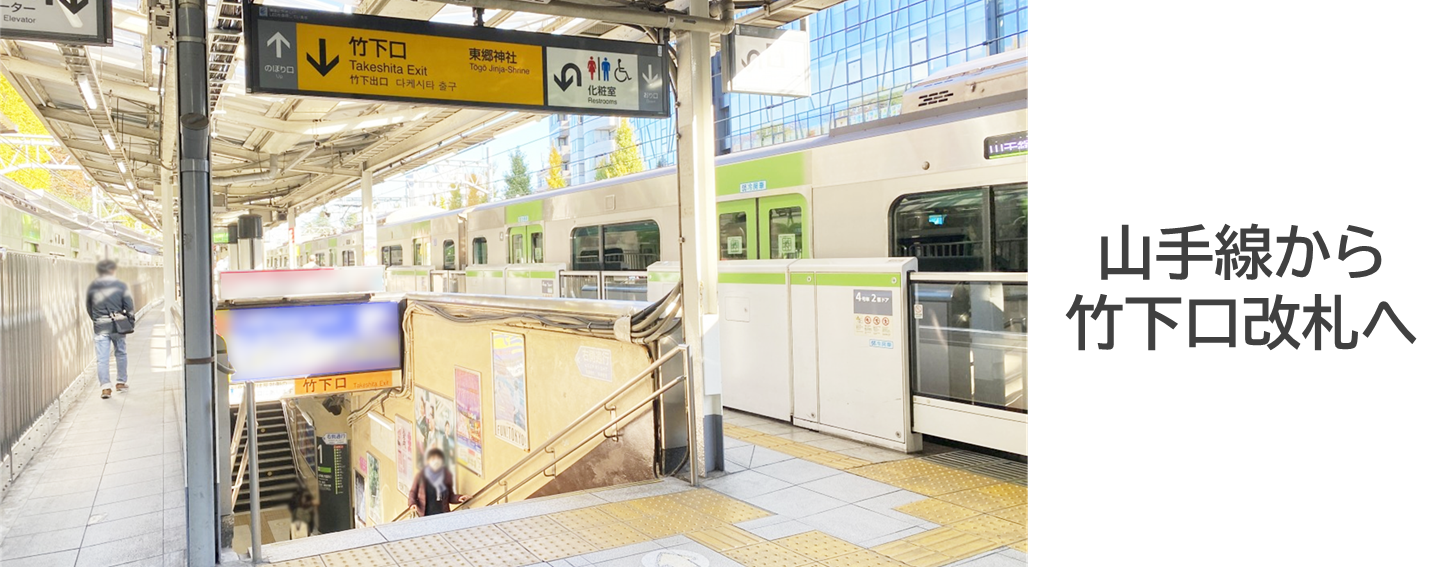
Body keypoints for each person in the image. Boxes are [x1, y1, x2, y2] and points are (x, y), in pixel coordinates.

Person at [86, 259, 134, 399]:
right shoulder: (120, 286)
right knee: (121, 353)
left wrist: (97, 321)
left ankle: (105, 388)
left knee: (102, 358)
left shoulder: (93, 288)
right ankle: (120, 382)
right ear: (113, 271)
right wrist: (130, 321)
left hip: (101, 327)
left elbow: (89, 308)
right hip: (117, 326)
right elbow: (129, 306)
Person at [407, 448, 467, 517]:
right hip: (425, 515)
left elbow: (450, 496)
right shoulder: (421, 476)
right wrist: (412, 504)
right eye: (433, 459)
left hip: (442, 515)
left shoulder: (446, 476)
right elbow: (413, 492)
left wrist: (459, 498)